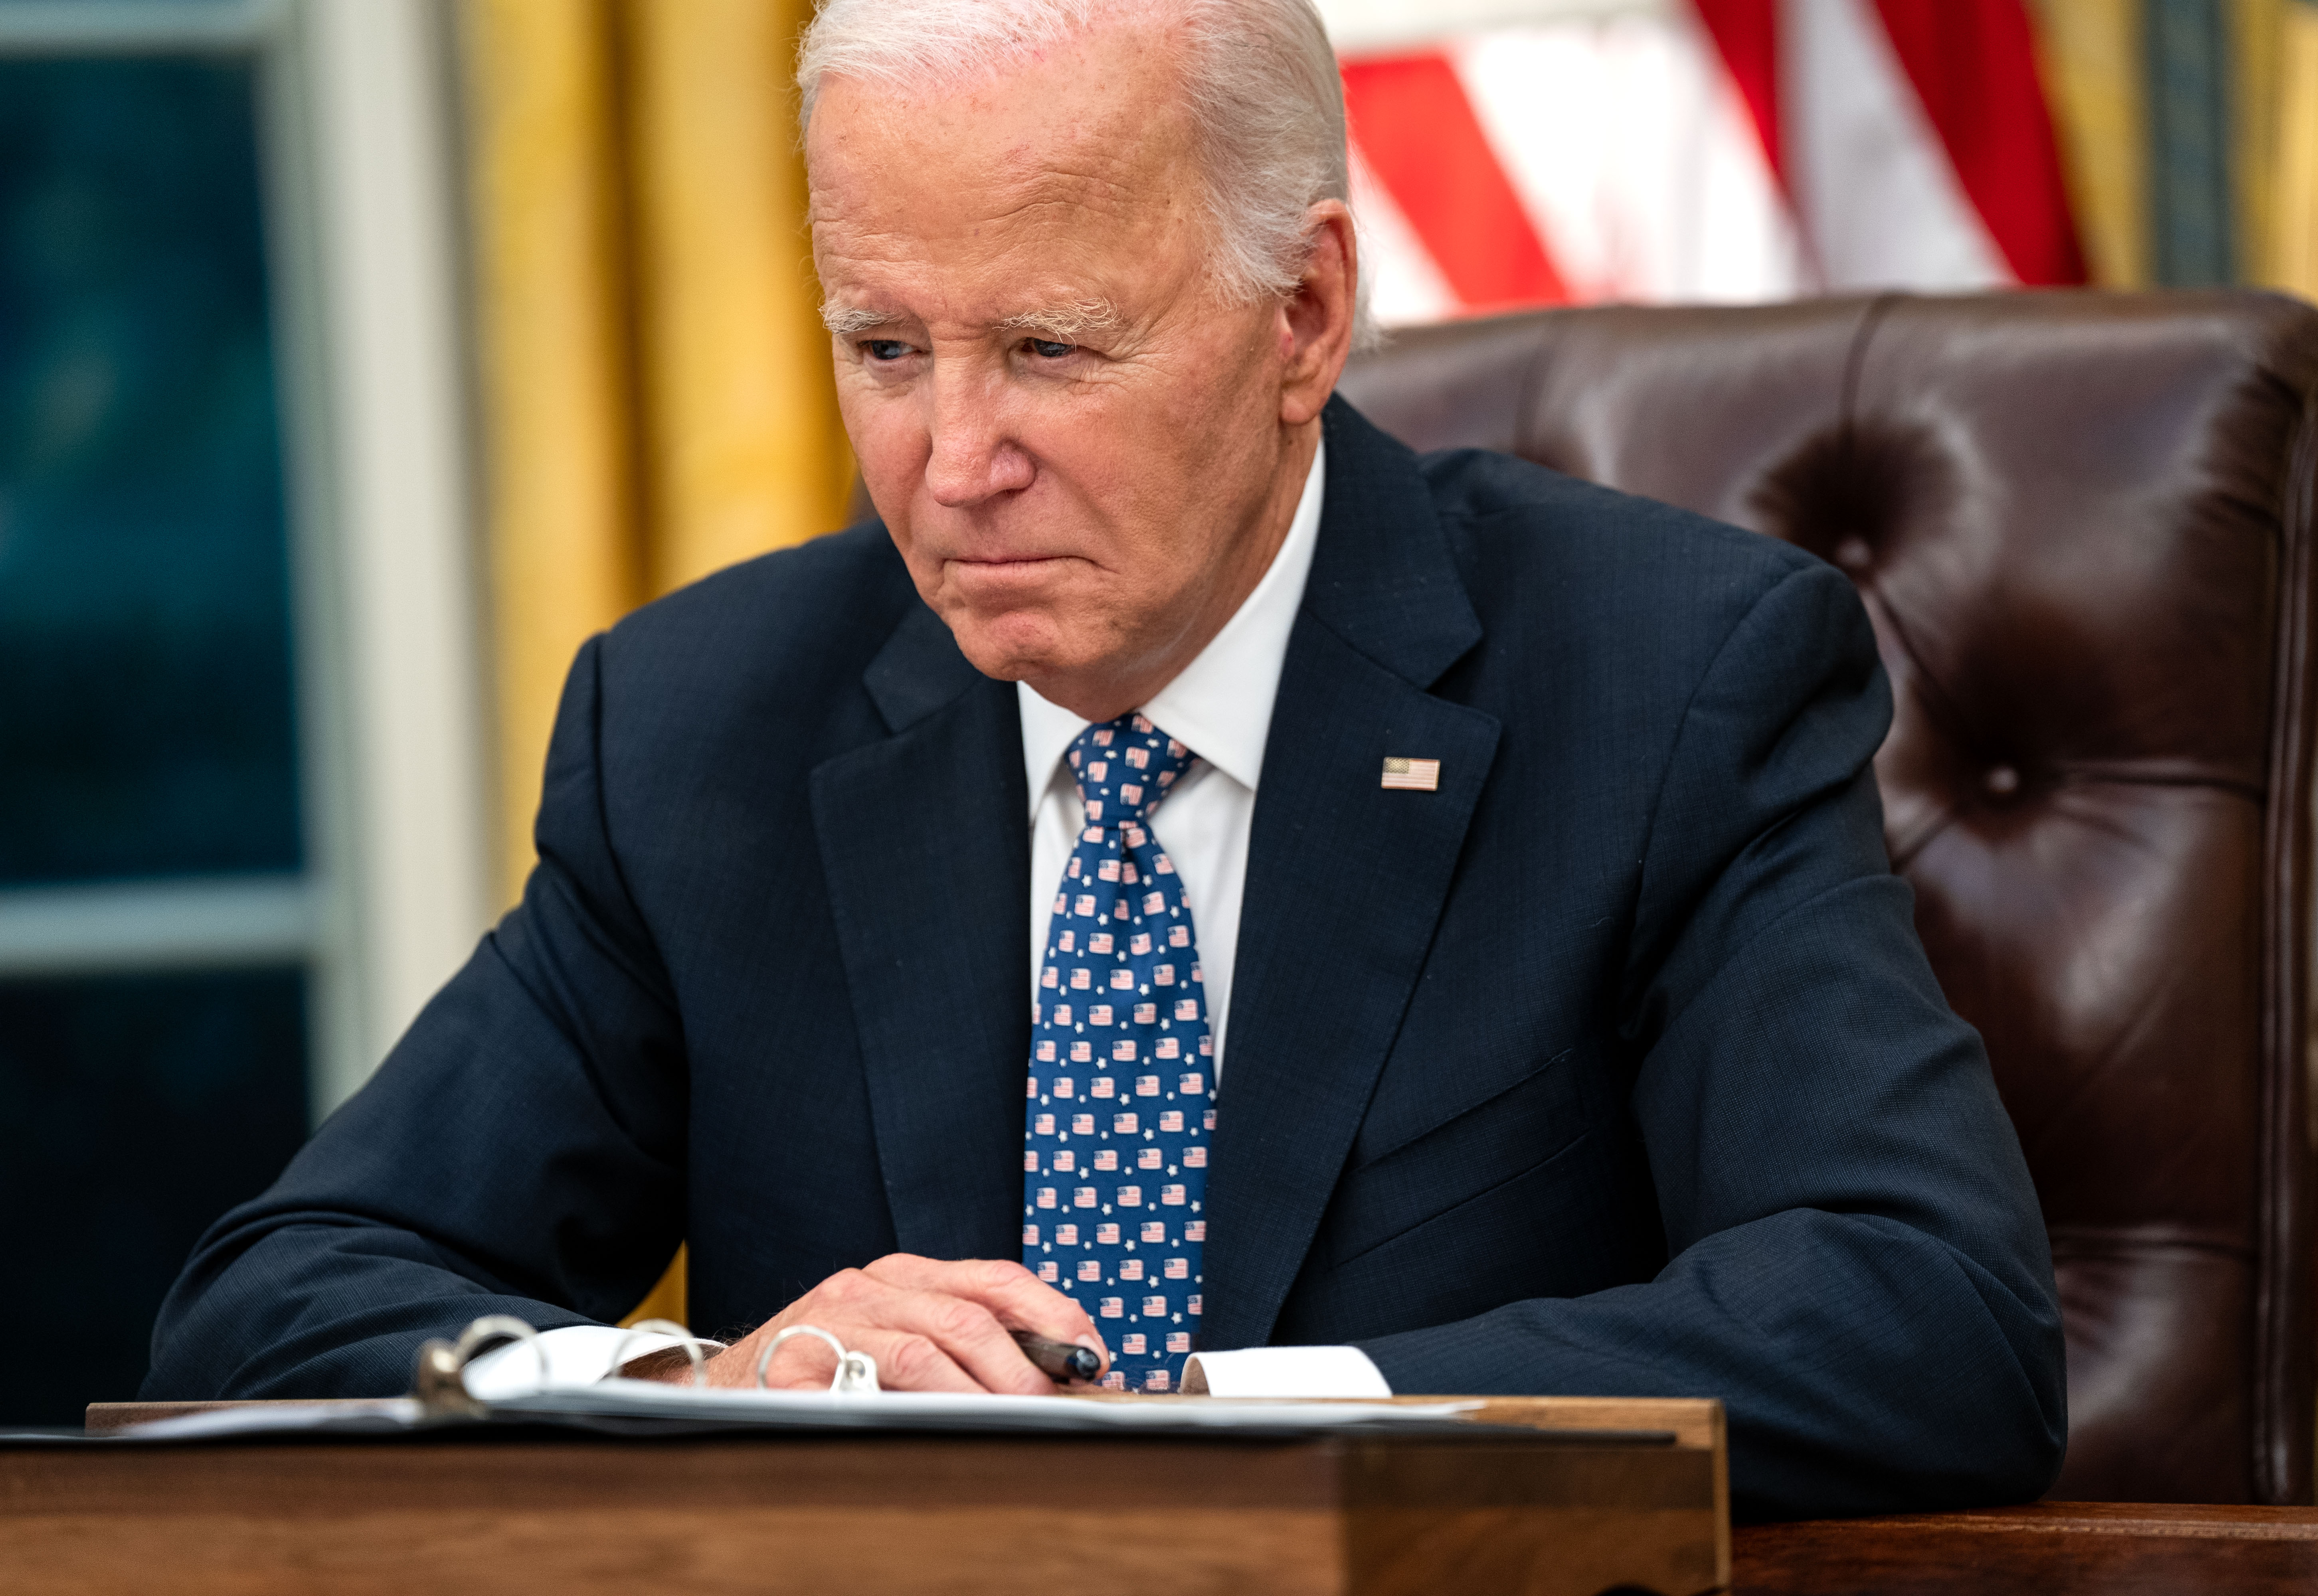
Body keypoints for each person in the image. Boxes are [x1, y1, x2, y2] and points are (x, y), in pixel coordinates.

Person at [145, 0, 2065, 1519]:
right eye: (884, 349)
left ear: (1302, 312)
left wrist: (1212, 1430)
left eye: (1050, 352)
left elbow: (1930, 1315)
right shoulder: (708, 726)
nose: (951, 462)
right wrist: (692, 1384)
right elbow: (274, 1305)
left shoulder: (1662, 683)